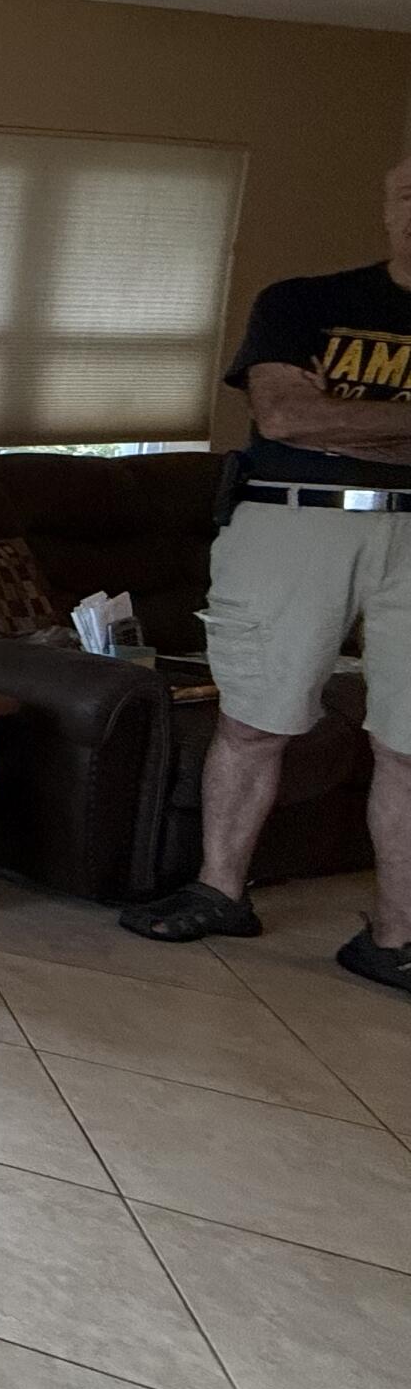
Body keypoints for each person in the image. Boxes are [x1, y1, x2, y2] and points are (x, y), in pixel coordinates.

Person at [121, 160, 411, 991]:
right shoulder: (303, 302)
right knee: (256, 721)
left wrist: (349, 424)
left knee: (408, 745)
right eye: (408, 196)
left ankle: (394, 938)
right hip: (293, 522)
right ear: (387, 208)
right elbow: (284, 413)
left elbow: (321, 418)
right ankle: (220, 891)